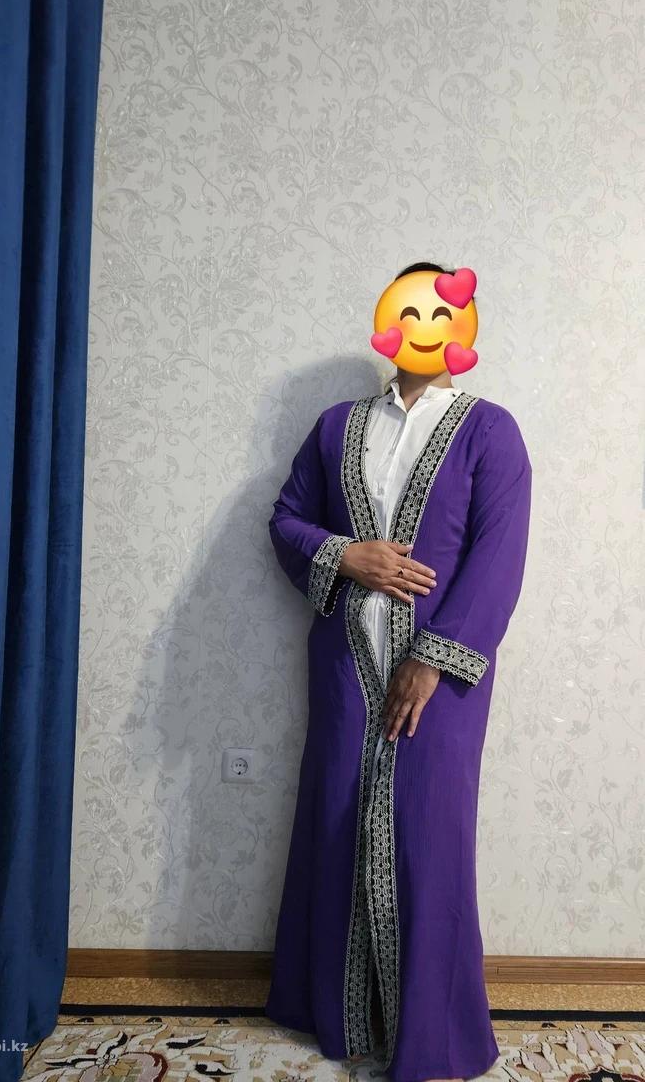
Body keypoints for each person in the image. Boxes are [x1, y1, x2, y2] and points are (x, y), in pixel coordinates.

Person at [264, 261, 532, 1082]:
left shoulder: (489, 431)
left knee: (427, 835)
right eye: (407, 311)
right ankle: (338, 1016)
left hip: (442, 677)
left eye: (440, 314)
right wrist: (347, 553)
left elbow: (497, 557)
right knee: (337, 817)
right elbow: (286, 520)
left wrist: (432, 661)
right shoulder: (336, 427)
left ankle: (433, 1037)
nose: (423, 327)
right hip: (343, 661)